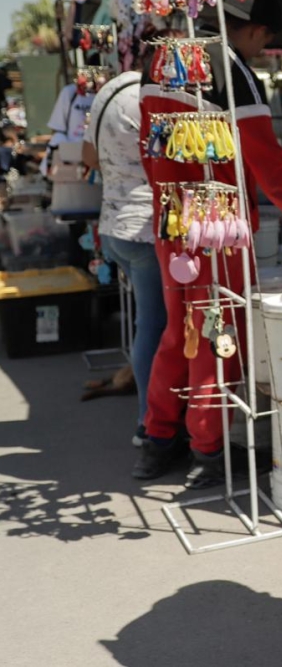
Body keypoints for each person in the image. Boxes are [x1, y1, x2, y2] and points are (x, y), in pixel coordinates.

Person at [133, 0, 282, 489]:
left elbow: (149, 147)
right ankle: (210, 451)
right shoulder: (232, 67)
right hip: (218, 226)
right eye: (265, 41)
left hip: (173, 221)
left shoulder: (163, 58)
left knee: (178, 332)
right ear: (255, 31)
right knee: (216, 334)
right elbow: (267, 160)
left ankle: (157, 440)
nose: (261, 50)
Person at [82, 69, 167, 447]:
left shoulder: (108, 91)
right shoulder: (155, 96)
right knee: (153, 326)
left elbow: (89, 157)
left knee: (145, 323)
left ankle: (153, 415)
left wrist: (121, 172)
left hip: (114, 225)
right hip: (144, 228)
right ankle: (148, 423)